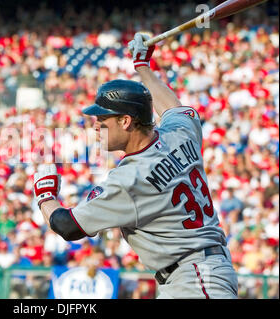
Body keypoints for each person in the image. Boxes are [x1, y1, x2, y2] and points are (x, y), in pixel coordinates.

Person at [33, 33, 238, 299]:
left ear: (126, 122)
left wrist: (45, 196)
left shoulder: (130, 178)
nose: (96, 126)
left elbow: (68, 226)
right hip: (198, 273)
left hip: (194, 279)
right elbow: (177, 109)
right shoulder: (179, 133)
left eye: (103, 120)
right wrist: (143, 67)